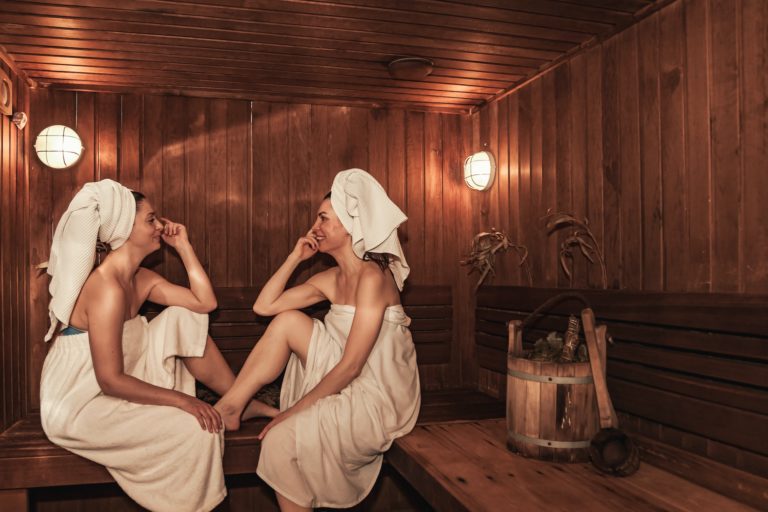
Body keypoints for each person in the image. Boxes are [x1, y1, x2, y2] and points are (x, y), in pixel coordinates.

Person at [40, 179, 277, 512]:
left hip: (123, 375)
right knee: (199, 429)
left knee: (183, 315)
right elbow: (109, 380)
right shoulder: (106, 287)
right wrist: (185, 402)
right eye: (151, 219)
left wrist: (184, 247)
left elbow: (204, 303)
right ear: (124, 227)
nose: (161, 226)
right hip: (82, 399)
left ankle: (238, 401)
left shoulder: (141, 279)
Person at [215, 168, 421, 511]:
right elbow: (264, 306)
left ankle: (249, 410)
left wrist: (290, 413)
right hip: (344, 373)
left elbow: (354, 364)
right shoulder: (331, 278)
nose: (315, 227)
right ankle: (233, 406)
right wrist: (295, 257)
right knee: (288, 321)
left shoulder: (374, 278)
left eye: (324, 218)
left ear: (351, 223)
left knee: (280, 441)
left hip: (377, 393)